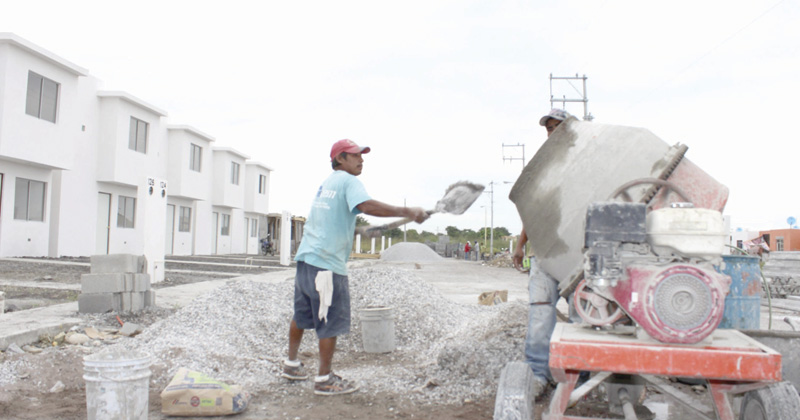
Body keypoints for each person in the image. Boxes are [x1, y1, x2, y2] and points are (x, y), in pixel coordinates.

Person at [282, 139, 429, 396]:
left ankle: (291, 364)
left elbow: (333, 220)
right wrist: (407, 211)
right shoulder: (349, 181)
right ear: (340, 158)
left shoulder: (327, 184)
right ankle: (324, 379)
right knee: (328, 321)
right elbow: (366, 206)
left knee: (301, 315)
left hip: (306, 260)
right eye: (355, 155)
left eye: (362, 155)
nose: (361, 160)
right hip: (327, 265)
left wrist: (360, 230)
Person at [511, 108, 582, 398]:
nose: (552, 132)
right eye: (549, 128)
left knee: (581, 318)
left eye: (557, 126)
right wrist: (520, 244)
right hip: (544, 253)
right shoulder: (541, 167)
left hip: (577, 254)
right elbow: (533, 211)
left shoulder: (585, 161)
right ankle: (538, 374)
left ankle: (578, 378)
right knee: (540, 315)